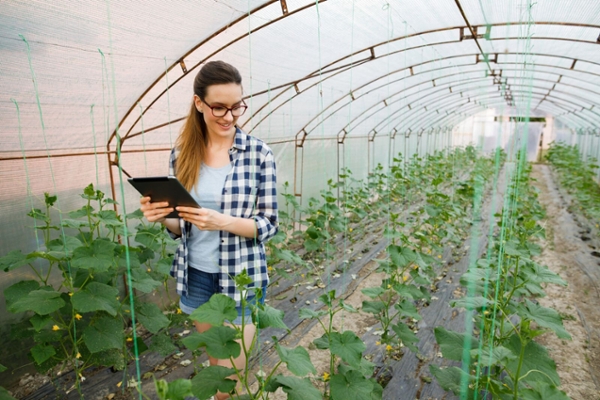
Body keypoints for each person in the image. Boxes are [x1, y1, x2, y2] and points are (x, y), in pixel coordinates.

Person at [140, 60, 278, 400]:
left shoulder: (259, 154)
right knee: (217, 368)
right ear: (199, 103)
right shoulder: (181, 154)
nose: (229, 117)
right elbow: (182, 225)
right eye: (219, 107)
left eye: (236, 107)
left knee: (231, 377)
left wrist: (222, 222)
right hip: (197, 276)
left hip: (241, 278)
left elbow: (268, 224)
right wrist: (161, 216)